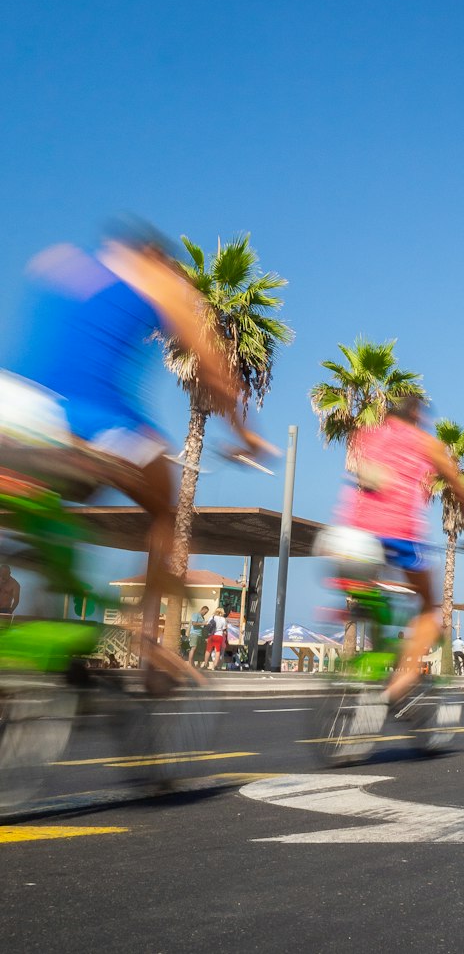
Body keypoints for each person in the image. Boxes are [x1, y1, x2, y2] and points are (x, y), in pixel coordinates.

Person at [0, 223, 274, 684]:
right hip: (87, 423)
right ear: (153, 255)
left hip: (12, 413)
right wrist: (247, 435)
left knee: (45, 525)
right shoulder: (156, 278)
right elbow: (212, 366)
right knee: (163, 508)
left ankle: (46, 640)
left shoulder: (64, 262)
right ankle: (147, 641)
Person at [333, 393, 464, 706]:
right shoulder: (424, 442)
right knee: (429, 607)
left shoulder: (366, 434)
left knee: (371, 598)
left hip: (350, 537)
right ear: (417, 415)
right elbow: (459, 488)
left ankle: (374, 664)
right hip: (398, 536)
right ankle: (401, 681)